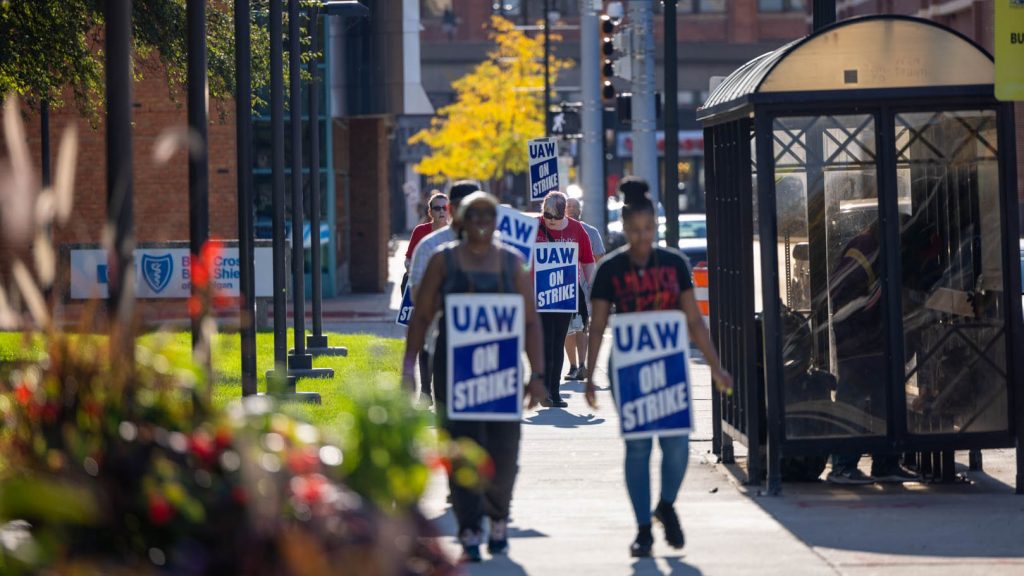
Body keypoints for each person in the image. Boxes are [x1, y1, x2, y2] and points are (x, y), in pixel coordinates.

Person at [584, 177, 733, 557]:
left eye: (648, 228)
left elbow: (694, 321)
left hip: (668, 365)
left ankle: (666, 504)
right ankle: (642, 530)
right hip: (629, 367)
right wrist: (588, 377)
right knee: (637, 448)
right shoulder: (611, 269)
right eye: (635, 230)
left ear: (655, 226)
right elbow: (597, 326)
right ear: (624, 227)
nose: (642, 236)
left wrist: (716, 367)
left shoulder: (673, 263)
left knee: (677, 446)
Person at [402, 192, 546, 562]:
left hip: (502, 375)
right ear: (461, 220)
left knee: (503, 451)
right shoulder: (442, 262)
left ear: (497, 220)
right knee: (462, 452)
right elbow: (421, 317)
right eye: (474, 214)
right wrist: (408, 366)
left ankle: (497, 519)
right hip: (455, 373)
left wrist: (538, 374)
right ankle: (469, 528)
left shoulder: (511, 264)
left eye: (489, 214)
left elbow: (531, 322)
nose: (482, 220)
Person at [826, 218, 919, 485]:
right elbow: (844, 292)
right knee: (852, 401)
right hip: (857, 341)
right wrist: (880, 296)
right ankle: (843, 465)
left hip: (875, 342)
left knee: (885, 401)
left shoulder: (874, 247)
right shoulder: (865, 248)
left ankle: (886, 462)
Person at [407, 181, 482, 406]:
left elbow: (524, 313)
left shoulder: (499, 249)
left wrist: (537, 374)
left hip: (485, 349)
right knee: (447, 413)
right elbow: (419, 307)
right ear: (453, 209)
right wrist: (407, 367)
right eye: (465, 207)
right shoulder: (430, 247)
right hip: (443, 341)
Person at [535, 191, 595, 407]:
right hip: (538, 296)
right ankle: (543, 389)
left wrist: (592, 289)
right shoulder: (534, 226)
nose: (551, 222)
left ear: (564, 214)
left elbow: (588, 261)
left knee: (557, 342)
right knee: (544, 343)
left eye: (556, 218)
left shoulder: (576, 229)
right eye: (547, 217)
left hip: (564, 295)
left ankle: (554, 391)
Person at [402, 191, 448, 405]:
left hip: (447, 295)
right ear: (430, 212)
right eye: (437, 208)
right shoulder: (421, 232)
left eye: (444, 208)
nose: (441, 212)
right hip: (423, 293)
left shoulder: (455, 233)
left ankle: (442, 394)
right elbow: (409, 260)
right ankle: (426, 392)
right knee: (425, 344)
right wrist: (416, 276)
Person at [563, 197, 605, 381]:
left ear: (580, 210)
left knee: (582, 328)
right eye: (568, 206)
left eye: (575, 206)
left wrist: (597, 286)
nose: (571, 209)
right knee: (566, 329)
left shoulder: (590, 232)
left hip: (584, 288)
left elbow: (599, 260)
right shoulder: (557, 230)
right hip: (562, 287)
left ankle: (582, 365)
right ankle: (572, 365)